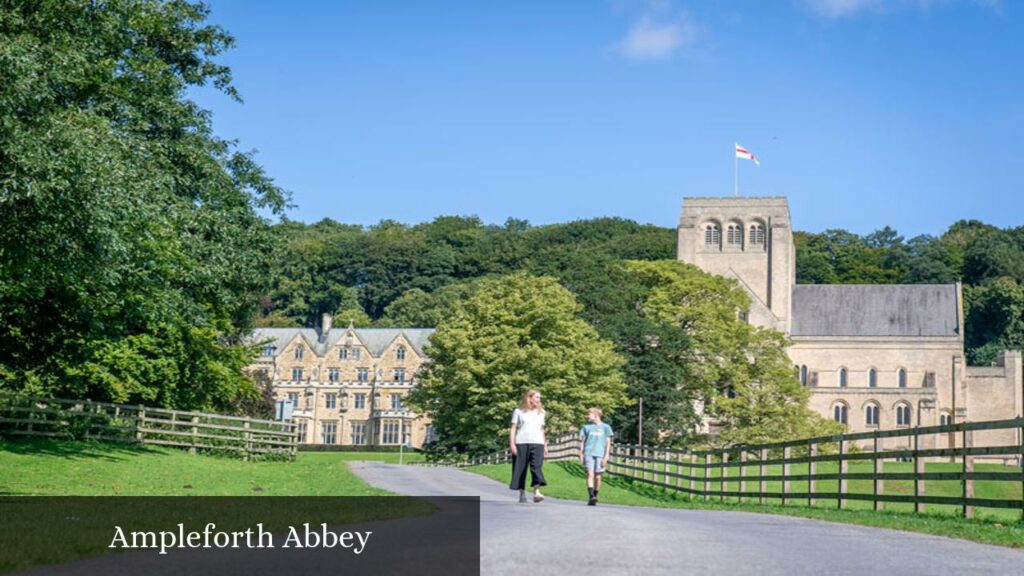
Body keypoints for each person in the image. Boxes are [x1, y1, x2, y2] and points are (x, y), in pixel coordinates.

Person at [509, 389, 547, 503]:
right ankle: (522, 493)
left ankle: (536, 492)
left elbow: (542, 429)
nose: (539, 400)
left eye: (539, 398)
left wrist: (545, 445)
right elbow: (513, 428)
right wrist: (512, 444)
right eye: (536, 397)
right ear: (529, 398)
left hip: (538, 442)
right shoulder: (518, 411)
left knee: (536, 467)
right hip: (521, 442)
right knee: (521, 469)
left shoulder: (541, 412)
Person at [579, 407, 613, 506]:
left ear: (596, 415)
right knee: (590, 475)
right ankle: (591, 496)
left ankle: (595, 495)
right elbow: (582, 441)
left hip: (600, 454)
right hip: (588, 453)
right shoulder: (586, 427)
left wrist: (606, 456)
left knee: (598, 477)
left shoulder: (606, 427)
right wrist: (581, 454)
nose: (587, 416)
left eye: (589, 414)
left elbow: (608, 443)